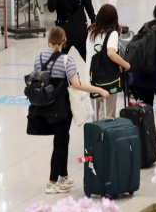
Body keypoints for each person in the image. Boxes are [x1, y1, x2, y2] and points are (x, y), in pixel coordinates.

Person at [29, 26, 109, 194]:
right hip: (61, 109)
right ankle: (52, 182)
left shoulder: (39, 58)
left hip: (43, 106)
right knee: (60, 143)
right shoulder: (67, 60)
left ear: (49, 41)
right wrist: (99, 90)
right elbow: (77, 84)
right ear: (65, 41)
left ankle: (64, 177)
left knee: (63, 139)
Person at [83, 4, 130, 120]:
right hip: (107, 81)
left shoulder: (91, 33)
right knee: (108, 117)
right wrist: (126, 64)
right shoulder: (112, 34)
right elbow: (111, 53)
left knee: (95, 117)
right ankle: (105, 138)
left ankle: (95, 137)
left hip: (91, 80)